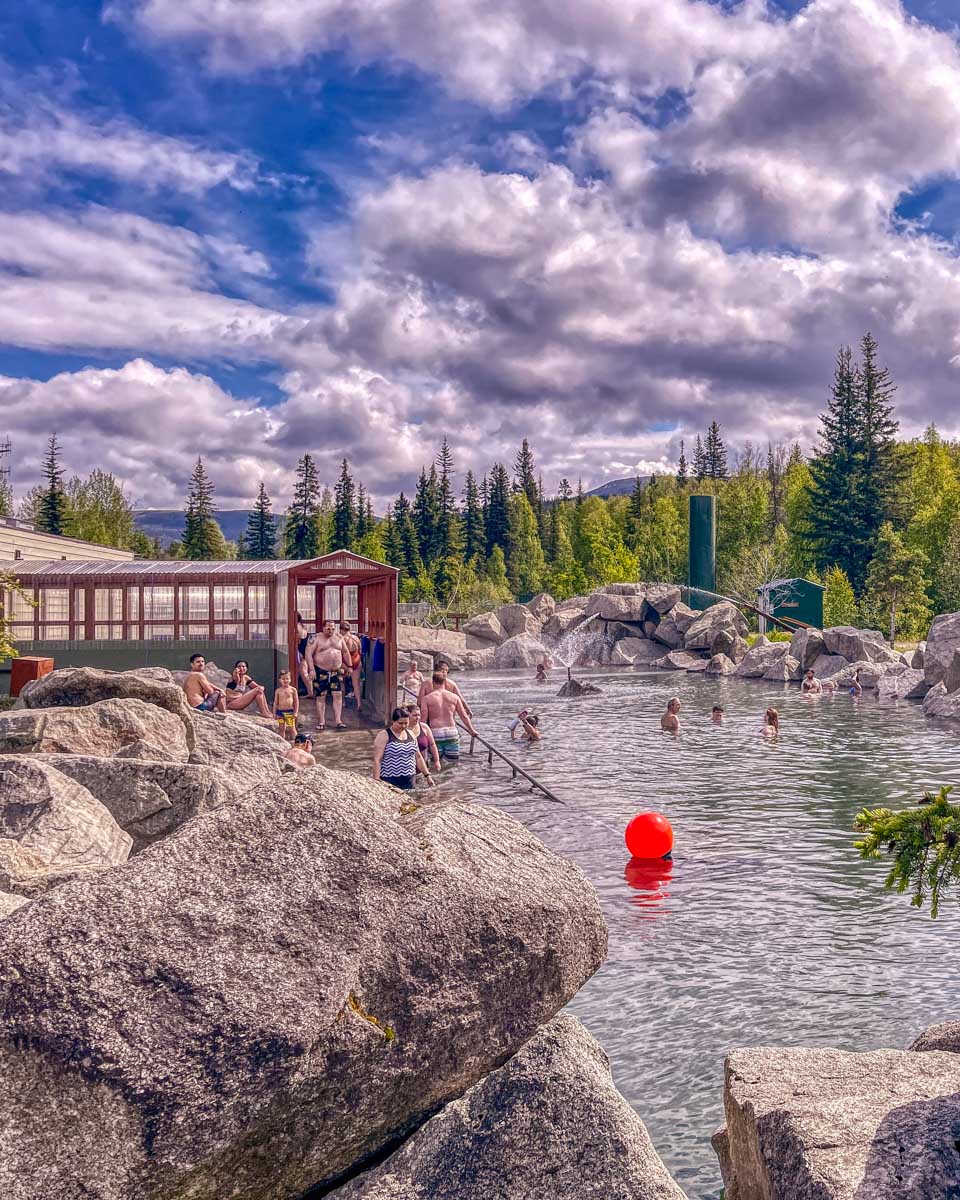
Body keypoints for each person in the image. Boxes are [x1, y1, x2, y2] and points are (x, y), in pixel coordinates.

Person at [422, 669, 479, 762]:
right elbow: (464, 716)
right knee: (453, 763)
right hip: (451, 732)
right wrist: (472, 730)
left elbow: (423, 720)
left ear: (433, 682)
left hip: (436, 733)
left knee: (436, 762)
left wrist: (420, 735)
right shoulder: (454, 697)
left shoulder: (427, 699)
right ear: (444, 682)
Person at [303, 620, 351, 731]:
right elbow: (308, 653)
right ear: (323, 627)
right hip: (321, 670)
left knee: (338, 695)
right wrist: (311, 669)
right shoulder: (315, 638)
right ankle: (321, 721)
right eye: (328, 628)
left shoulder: (339, 638)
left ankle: (338, 720)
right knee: (321, 696)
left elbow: (345, 652)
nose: (331, 631)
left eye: (333, 628)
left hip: (336, 671)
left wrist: (349, 665)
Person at [372, 707, 436, 790]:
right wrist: (376, 781)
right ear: (393, 721)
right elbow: (377, 760)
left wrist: (427, 776)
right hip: (390, 779)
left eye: (406, 723)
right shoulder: (384, 735)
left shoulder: (411, 734)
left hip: (410, 779)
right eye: (400, 723)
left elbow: (418, 758)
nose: (403, 726)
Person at [406, 703, 441, 772]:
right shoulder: (403, 728)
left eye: (419, 715)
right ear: (408, 715)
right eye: (415, 715)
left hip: (424, 765)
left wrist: (437, 761)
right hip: (408, 766)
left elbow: (432, 744)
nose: (418, 718)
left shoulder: (424, 727)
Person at [339, 621, 363, 707]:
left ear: (341, 629)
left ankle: (342, 702)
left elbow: (340, 652)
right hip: (356, 660)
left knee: (341, 682)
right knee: (356, 683)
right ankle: (359, 703)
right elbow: (360, 650)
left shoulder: (342, 639)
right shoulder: (356, 638)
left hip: (345, 662)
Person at [273, 669, 300, 742]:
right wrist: (274, 713)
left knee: (292, 728)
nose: (285, 680)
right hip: (280, 712)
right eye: (283, 679)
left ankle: (296, 742)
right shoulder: (278, 690)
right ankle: (282, 742)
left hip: (289, 712)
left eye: (287, 679)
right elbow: (275, 703)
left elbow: (296, 702)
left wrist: (296, 712)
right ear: (280, 680)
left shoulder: (293, 690)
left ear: (290, 679)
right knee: (281, 728)